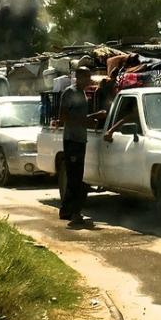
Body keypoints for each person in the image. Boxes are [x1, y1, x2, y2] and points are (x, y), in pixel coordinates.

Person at [58, 67, 106, 227]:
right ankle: (75, 214)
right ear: (78, 77)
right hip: (72, 140)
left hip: (80, 139)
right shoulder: (70, 93)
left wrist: (92, 117)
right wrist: (87, 120)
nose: (88, 80)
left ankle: (66, 211)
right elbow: (63, 117)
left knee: (75, 176)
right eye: (86, 77)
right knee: (75, 179)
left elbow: (80, 117)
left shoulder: (83, 93)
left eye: (89, 77)